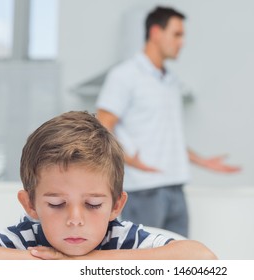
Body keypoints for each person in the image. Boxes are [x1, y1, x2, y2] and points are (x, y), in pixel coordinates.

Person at [0, 111, 217, 260]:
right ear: (30, 205)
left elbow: (202, 258)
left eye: (93, 204)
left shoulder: (122, 238)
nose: (75, 219)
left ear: (116, 205)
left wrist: (81, 263)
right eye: (57, 204)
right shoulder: (26, 240)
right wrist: (35, 263)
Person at [96, 6, 240, 238]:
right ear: (155, 32)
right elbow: (103, 125)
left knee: (178, 260)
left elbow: (167, 137)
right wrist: (128, 159)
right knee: (144, 264)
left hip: (176, 186)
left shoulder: (171, 81)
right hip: (143, 190)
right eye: (177, 34)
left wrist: (203, 161)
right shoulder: (125, 75)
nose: (181, 42)